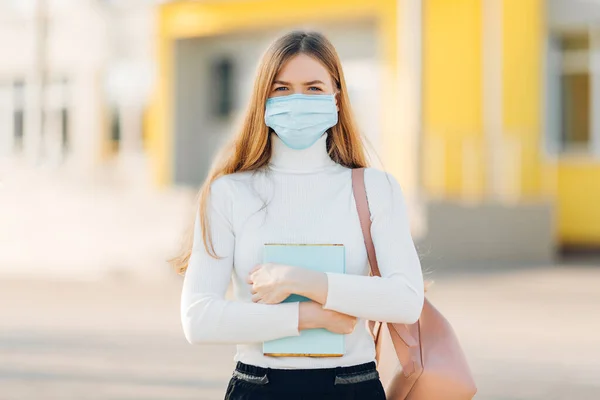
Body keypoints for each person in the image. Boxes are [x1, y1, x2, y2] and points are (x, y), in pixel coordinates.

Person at [174, 30, 424, 400]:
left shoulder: (375, 188)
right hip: (258, 387)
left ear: (337, 98)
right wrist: (307, 317)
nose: (298, 100)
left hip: (351, 387)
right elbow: (198, 318)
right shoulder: (228, 193)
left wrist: (301, 279)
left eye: (313, 88)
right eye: (282, 88)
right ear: (263, 98)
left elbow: (406, 299)